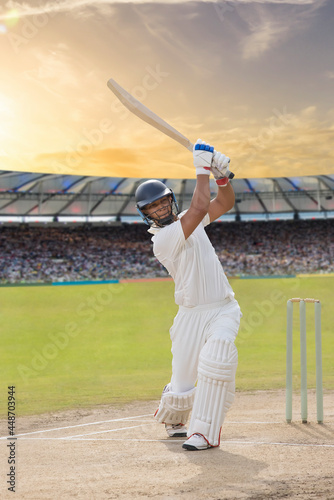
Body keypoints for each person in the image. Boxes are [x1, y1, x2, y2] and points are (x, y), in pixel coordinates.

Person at [135, 139, 242, 451]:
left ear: (170, 201)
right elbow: (198, 207)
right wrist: (201, 168)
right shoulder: (164, 239)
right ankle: (175, 416)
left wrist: (221, 178)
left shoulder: (187, 222)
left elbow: (223, 203)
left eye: (162, 202)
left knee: (217, 357)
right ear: (146, 214)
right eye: (152, 207)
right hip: (190, 315)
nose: (159, 209)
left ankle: (204, 432)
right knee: (182, 382)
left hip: (223, 307)